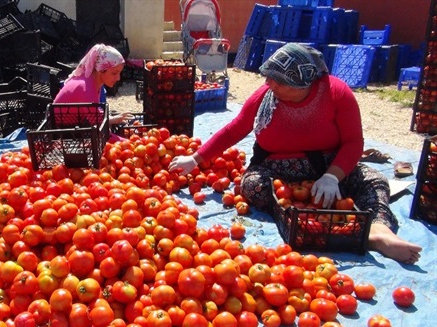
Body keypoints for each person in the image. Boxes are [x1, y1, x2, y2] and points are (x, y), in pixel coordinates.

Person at [169, 43, 422, 264]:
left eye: (278, 81)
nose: (269, 84)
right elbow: (234, 129)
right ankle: (302, 220)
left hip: (327, 164)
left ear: (303, 83)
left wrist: (333, 176)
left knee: (373, 180)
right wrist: (195, 158)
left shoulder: (336, 94)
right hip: (276, 168)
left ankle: (378, 231)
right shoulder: (265, 96)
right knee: (252, 185)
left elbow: (354, 143)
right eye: (268, 78)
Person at [53, 43, 133, 142]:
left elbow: (95, 117)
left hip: (76, 127)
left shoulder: (92, 82)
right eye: (114, 73)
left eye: (119, 73)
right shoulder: (85, 87)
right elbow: (100, 130)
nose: (118, 78)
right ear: (101, 70)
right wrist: (128, 143)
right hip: (65, 135)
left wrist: (113, 119)